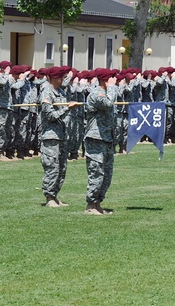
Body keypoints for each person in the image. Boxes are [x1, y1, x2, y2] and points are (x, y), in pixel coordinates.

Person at [39, 66, 80, 207]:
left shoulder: (60, 91)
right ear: (54, 78)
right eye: (61, 77)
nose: (63, 79)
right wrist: (67, 108)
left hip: (62, 135)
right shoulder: (46, 91)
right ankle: (49, 197)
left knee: (62, 168)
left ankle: (55, 196)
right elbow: (50, 115)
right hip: (51, 136)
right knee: (52, 167)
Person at [84, 69, 117, 215]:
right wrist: (111, 87)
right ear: (105, 80)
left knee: (107, 174)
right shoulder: (97, 93)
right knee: (96, 172)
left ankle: (97, 203)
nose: (115, 80)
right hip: (96, 138)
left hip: (106, 138)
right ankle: (90, 205)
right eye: (112, 78)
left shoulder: (107, 92)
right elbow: (108, 104)